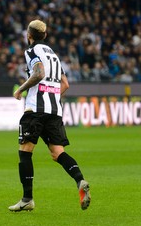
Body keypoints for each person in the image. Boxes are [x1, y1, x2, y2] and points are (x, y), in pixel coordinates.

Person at [9, 19, 91, 212]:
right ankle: (80, 180)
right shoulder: (54, 55)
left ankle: (27, 199)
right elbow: (66, 84)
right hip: (54, 111)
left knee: (25, 151)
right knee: (57, 152)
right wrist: (53, 97)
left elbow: (38, 73)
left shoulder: (31, 51)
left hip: (35, 110)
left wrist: (20, 90)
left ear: (28, 35)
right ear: (45, 35)